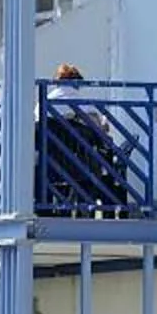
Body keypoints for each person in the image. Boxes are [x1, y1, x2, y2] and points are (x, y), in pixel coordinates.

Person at [39, 65, 131, 217]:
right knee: (101, 164)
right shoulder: (78, 100)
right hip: (79, 164)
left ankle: (53, 208)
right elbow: (99, 128)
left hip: (50, 163)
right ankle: (98, 209)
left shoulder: (44, 102)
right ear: (75, 81)